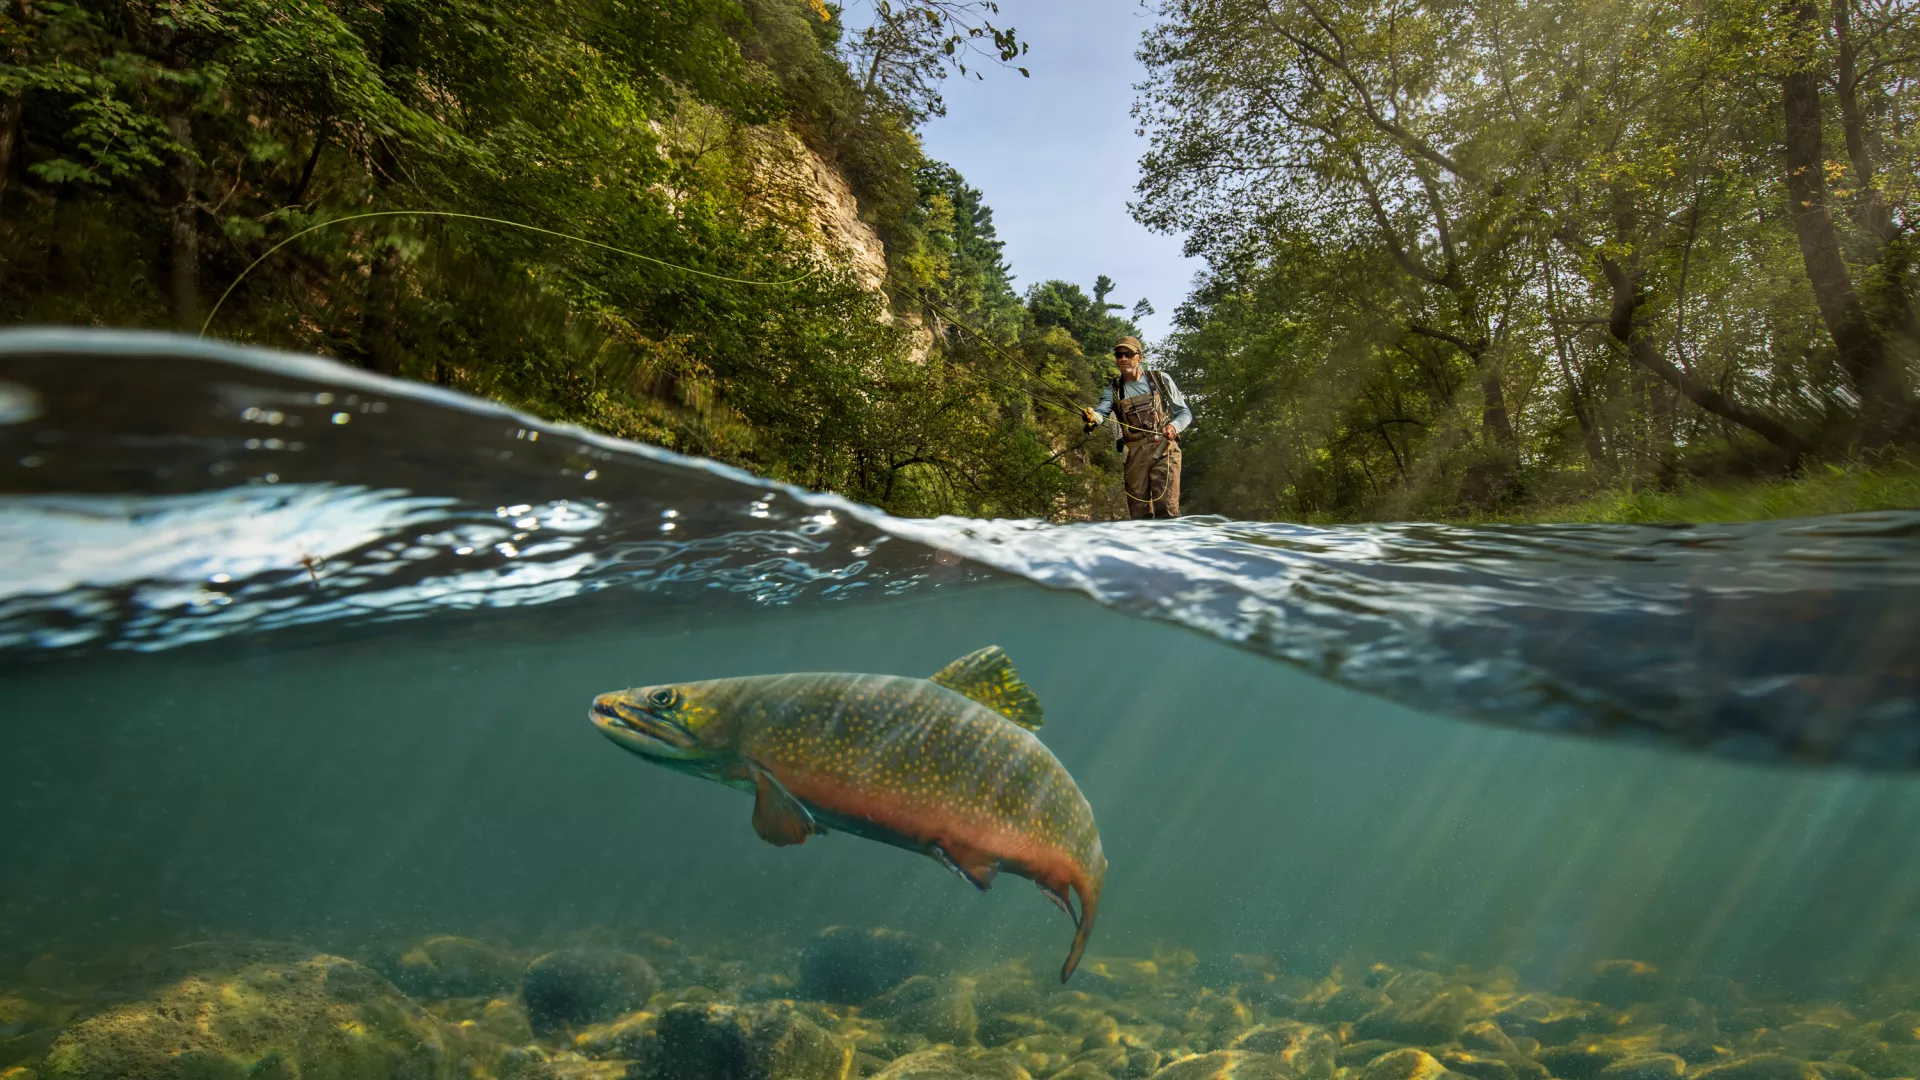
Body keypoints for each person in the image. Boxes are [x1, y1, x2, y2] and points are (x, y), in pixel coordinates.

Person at [1082, 336, 1192, 519]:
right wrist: (1093, 417)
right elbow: (1102, 413)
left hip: (1165, 450)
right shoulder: (1113, 390)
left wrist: (1173, 426)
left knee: (1167, 510)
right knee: (1139, 516)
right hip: (1134, 455)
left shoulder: (1160, 380)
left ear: (1139, 357)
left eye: (1128, 354)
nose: (1123, 358)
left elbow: (1184, 413)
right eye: (1119, 355)